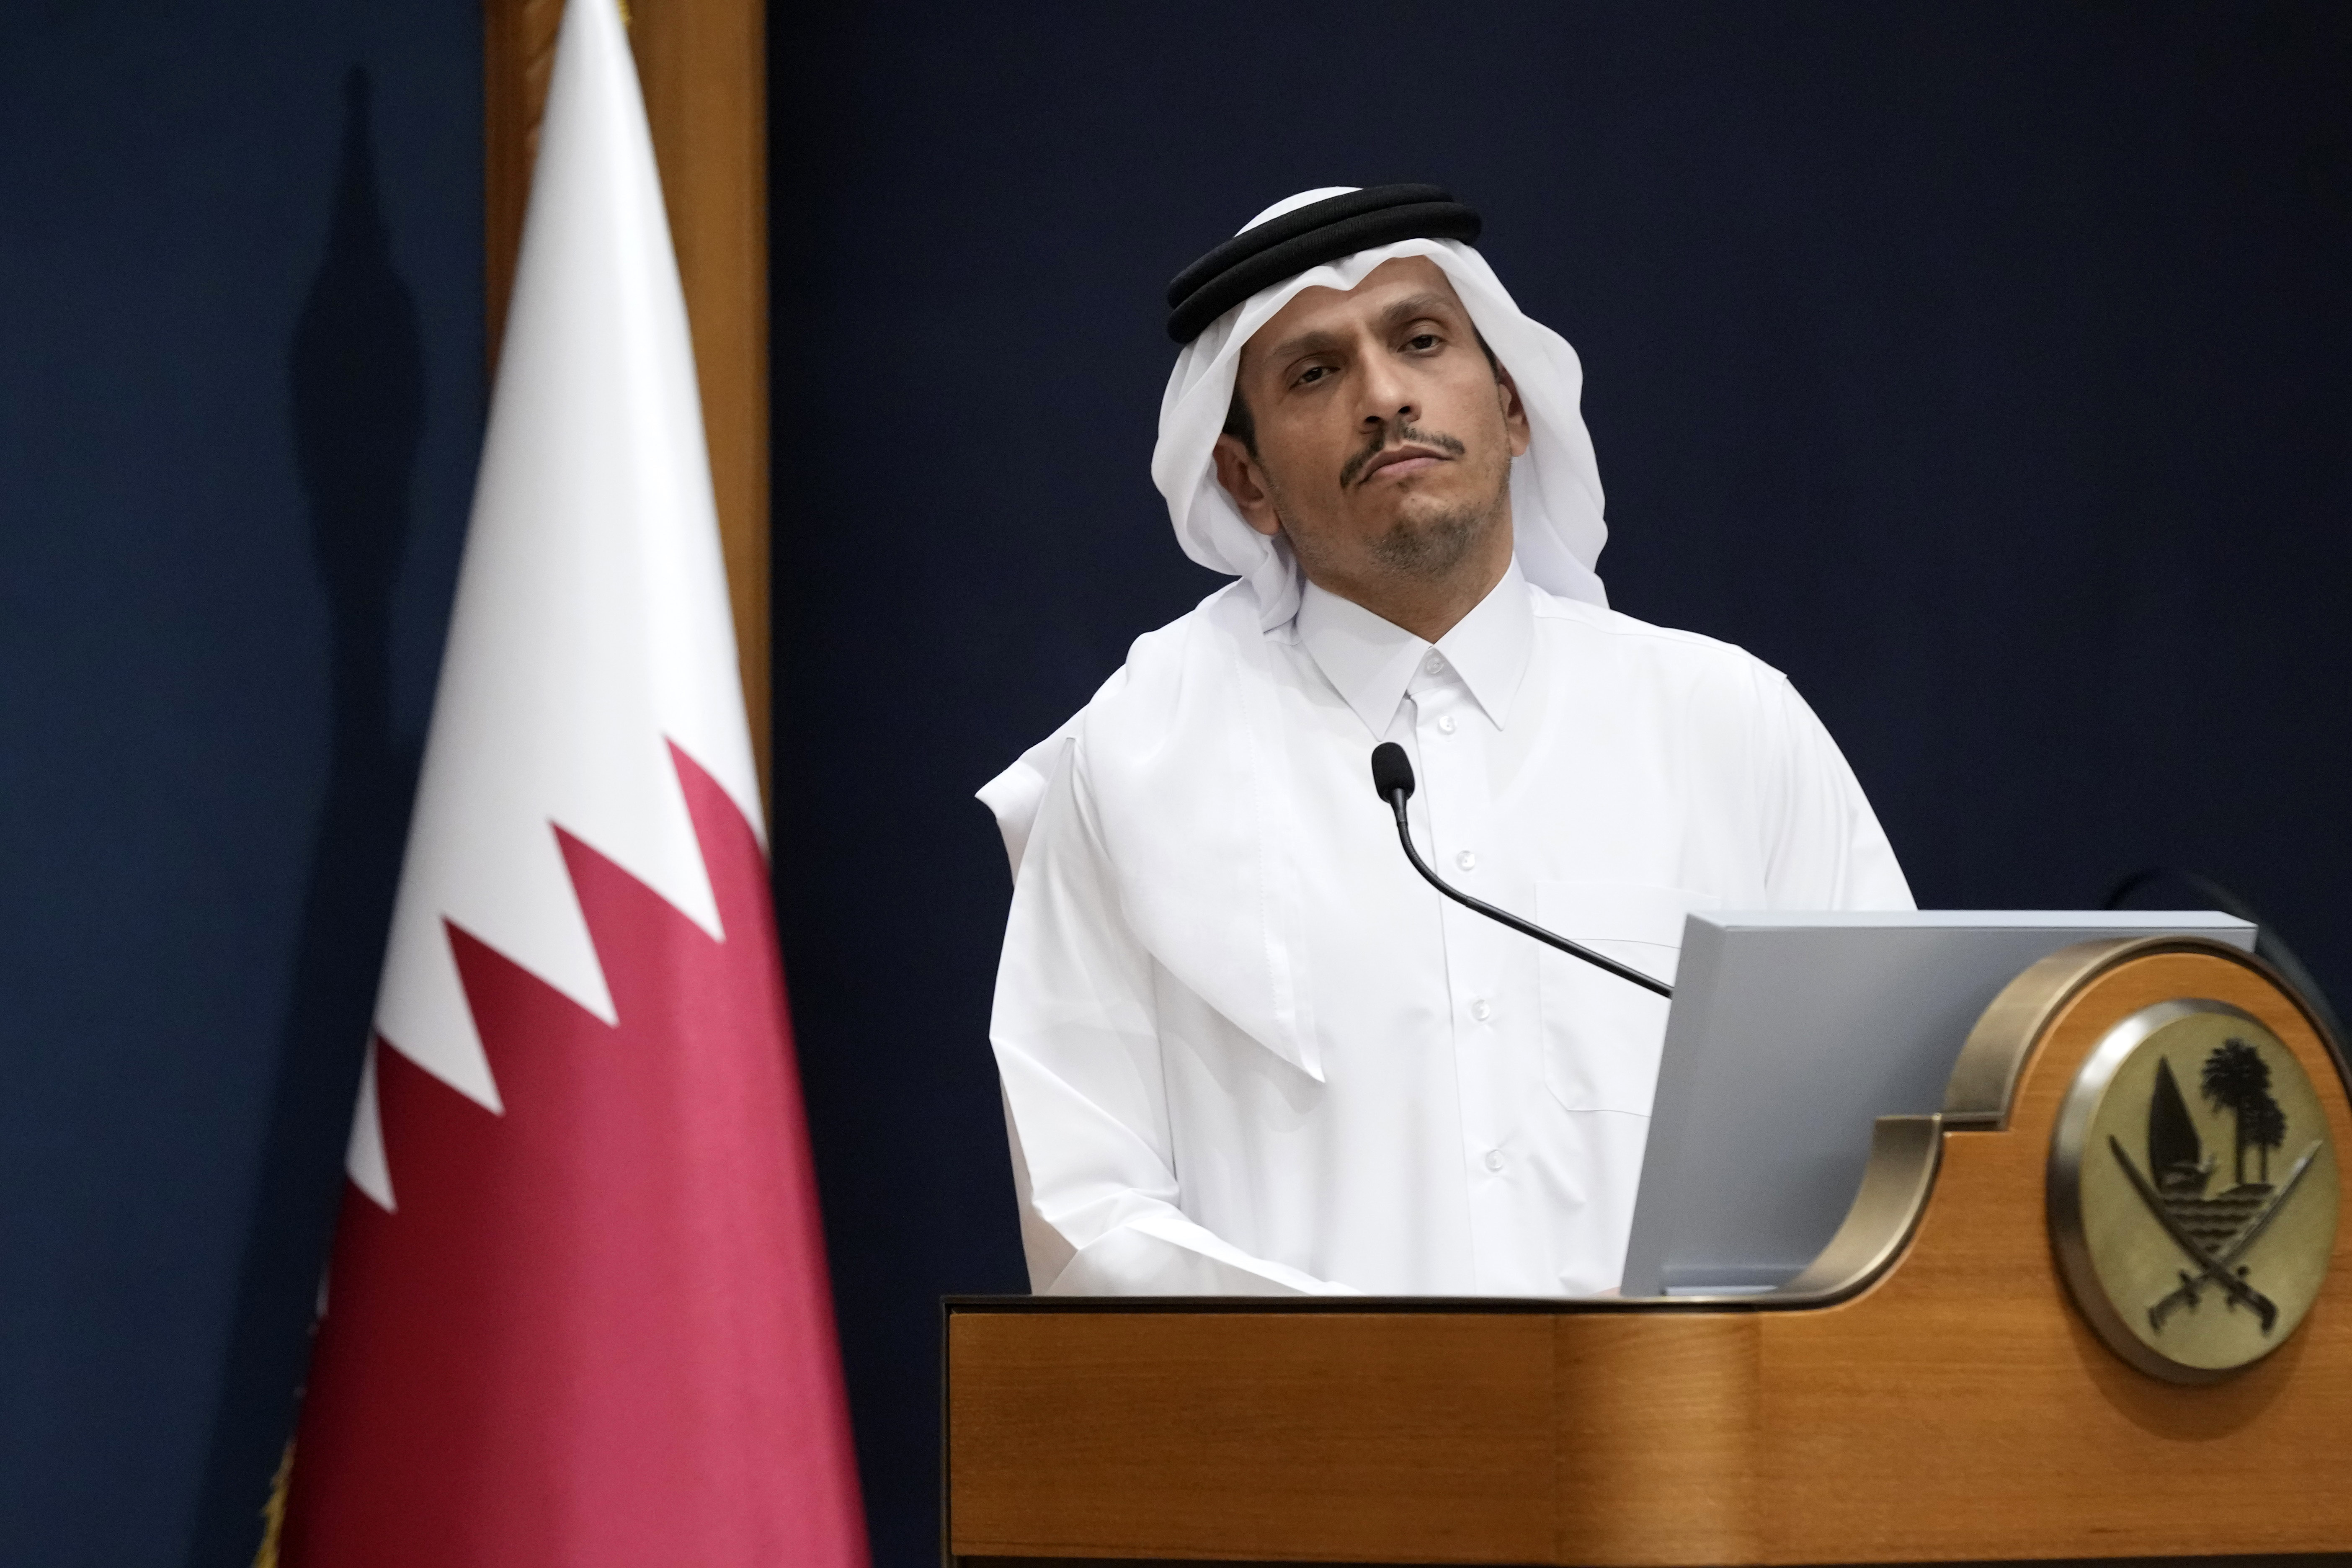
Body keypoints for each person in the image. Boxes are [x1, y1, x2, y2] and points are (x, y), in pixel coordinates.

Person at [977, 185, 1911, 1297]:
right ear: (1246, 481)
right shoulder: (1130, 768)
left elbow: (1885, 1143)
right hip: (1313, 1456)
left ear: (1513, 411)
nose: (1384, 394)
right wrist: (1388, 1396)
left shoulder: (1726, 727)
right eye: (1315, 373)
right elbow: (1088, 1214)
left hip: (1688, 1456)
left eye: (1421, 341)